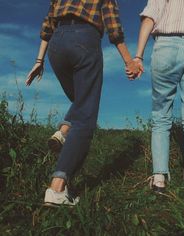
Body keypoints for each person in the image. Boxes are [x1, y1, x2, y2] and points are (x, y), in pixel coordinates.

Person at [26, 0, 143, 206]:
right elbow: (113, 27)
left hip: (56, 45)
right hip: (84, 39)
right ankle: (57, 189)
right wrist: (129, 61)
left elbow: (47, 25)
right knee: (86, 114)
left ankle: (63, 131)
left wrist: (38, 61)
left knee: (81, 101)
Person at [127, 0, 184, 200]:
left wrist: (138, 57)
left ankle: (159, 178)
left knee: (161, 115)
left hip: (167, 46)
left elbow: (150, 18)